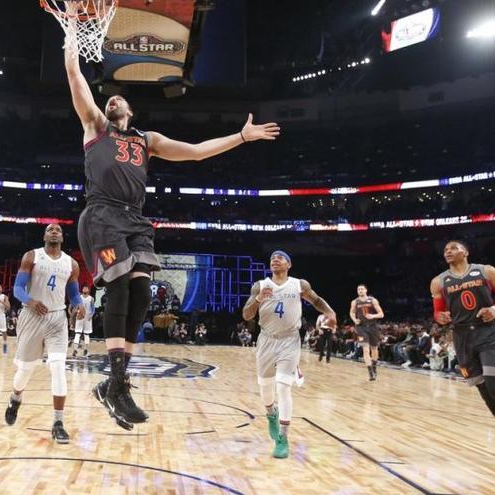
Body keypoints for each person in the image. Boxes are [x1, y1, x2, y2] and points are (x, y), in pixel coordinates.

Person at [63, 28, 281, 430]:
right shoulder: (95, 127)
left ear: (129, 111)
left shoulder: (148, 139)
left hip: (135, 219)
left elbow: (197, 153)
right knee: (121, 285)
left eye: (118, 98)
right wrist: (71, 33)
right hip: (102, 216)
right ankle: (116, 384)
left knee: (142, 291)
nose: (112, 99)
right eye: (109, 96)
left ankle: (115, 384)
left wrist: (242, 137)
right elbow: (75, 76)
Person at [430, 240, 495, 468]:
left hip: (487, 333)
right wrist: (440, 318)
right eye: (445, 249)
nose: (447, 251)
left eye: (453, 248)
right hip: (461, 338)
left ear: (465, 252)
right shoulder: (438, 282)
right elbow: (438, 312)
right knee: (485, 392)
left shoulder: (486, 271)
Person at [242, 250, 336, 459]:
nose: (275, 259)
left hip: (290, 340)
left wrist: (330, 312)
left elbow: (317, 300)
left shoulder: (299, 284)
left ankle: (283, 438)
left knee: (283, 387)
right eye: (272, 258)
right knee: (266, 389)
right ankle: (271, 415)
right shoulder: (260, 285)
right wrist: (257, 299)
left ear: (289, 264)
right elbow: (247, 314)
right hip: (266, 339)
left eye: (280, 257)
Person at [4, 224, 83, 444]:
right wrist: (30, 301)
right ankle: (15, 397)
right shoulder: (32, 257)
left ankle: (58, 423)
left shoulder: (71, 264)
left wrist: (77, 304)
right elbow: (18, 288)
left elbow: (73, 293)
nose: (55, 230)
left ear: (62, 237)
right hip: (32, 315)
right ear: (44, 235)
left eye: (58, 229)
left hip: (57, 318)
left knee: (58, 367)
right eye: (50, 229)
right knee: (25, 369)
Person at [349, 284, 385, 380]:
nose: (360, 290)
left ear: (366, 290)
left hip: (373, 327)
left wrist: (373, 316)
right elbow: (352, 312)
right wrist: (354, 320)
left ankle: (374, 366)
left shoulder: (373, 300)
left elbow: (381, 314)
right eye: (358, 289)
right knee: (365, 348)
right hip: (361, 328)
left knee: (374, 349)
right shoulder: (355, 302)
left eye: (362, 289)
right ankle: (370, 372)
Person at [71, 286, 95, 357]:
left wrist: (91, 315)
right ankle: (75, 350)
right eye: (84, 288)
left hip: (87, 317)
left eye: (86, 288)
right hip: (80, 316)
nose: (85, 289)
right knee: (77, 333)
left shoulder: (91, 298)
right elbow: (75, 307)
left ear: (89, 290)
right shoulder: (79, 297)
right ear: (82, 290)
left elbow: (93, 308)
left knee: (86, 334)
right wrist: (74, 316)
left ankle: (86, 350)